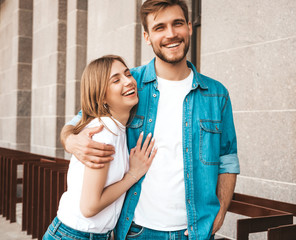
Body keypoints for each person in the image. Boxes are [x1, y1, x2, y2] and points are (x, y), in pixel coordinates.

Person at [61, 0, 240, 239]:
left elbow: (227, 159)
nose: (171, 34)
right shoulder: (129, 85)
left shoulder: (217, 94)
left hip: (195, 232)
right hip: (137, 230)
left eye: (177, 24)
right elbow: (77, 123)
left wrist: (221, 213)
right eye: (159, 27)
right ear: (147, 36)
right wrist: (70, 141)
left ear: (189, 26)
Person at [43, 55, 157, 240]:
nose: (129, 82)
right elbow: (89, 207)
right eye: (116, 80)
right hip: (73, 235)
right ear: (101, 96)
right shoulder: (103, 132)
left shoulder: (117, 129)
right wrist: (133, 174)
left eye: (128, 74)